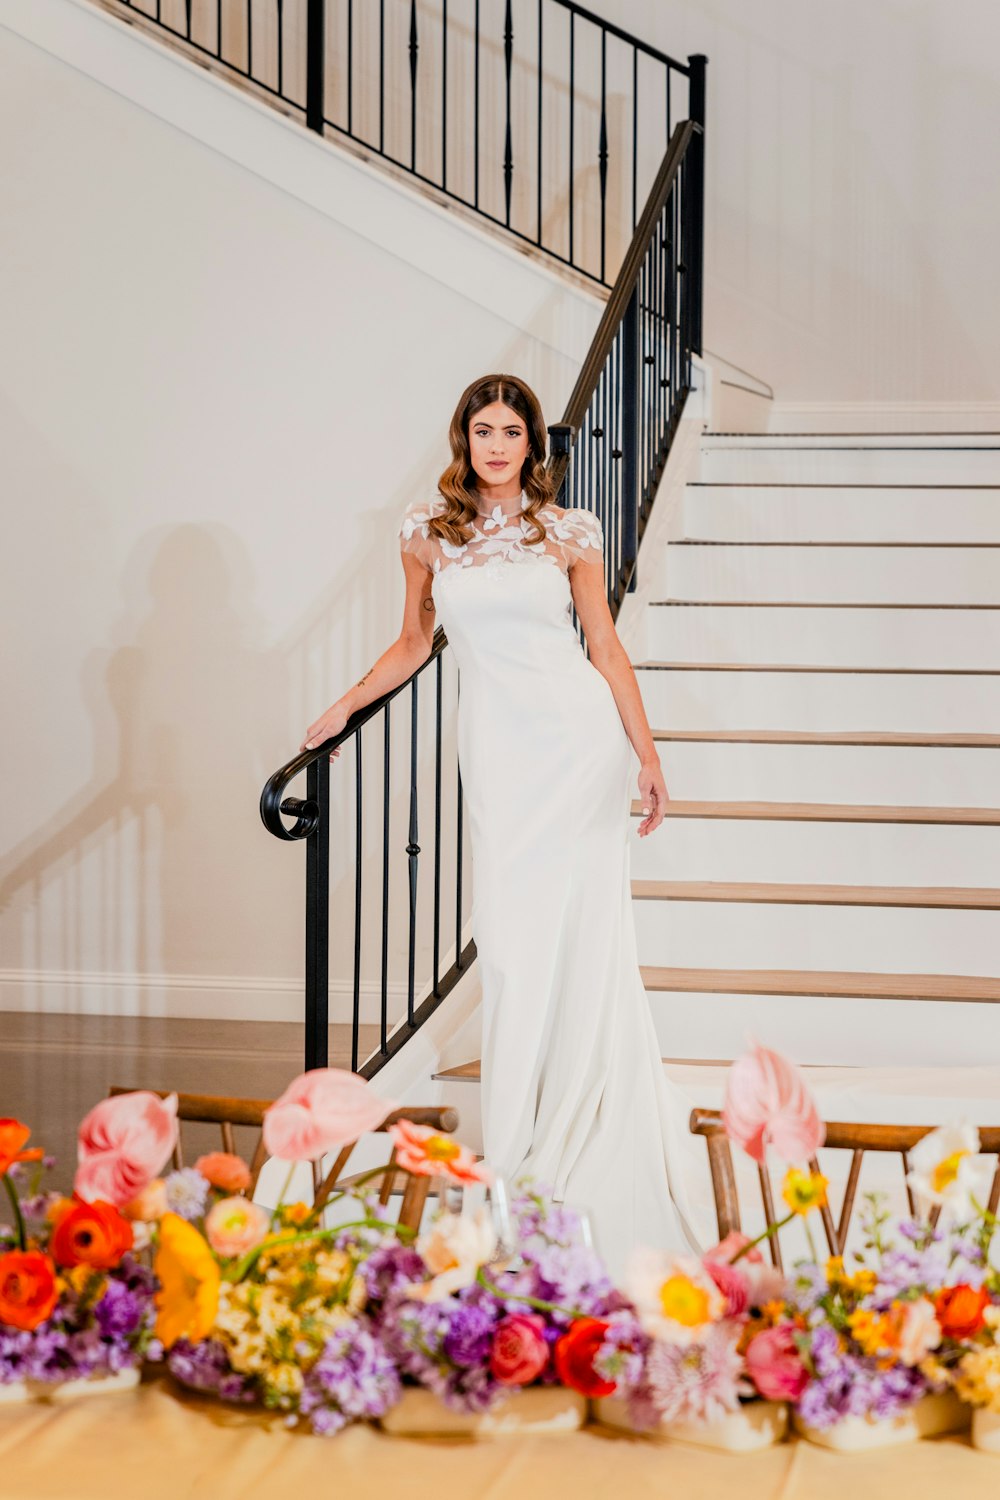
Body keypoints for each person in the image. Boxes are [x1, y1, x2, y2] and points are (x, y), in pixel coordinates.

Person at [303, 373, 705, 1274]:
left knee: (582, 936)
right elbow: (413, 643)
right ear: (464, 438)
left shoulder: (569, 531)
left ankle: (554, 1126)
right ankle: (516, 1135)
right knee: (514, 945)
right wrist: (342, 707)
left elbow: (603, 643)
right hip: (500, 753)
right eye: (481, 429)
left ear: (532, 445)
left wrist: (645, 753)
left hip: (578, 745)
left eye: (510, 430)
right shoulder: (426, 533)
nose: (495, 444)